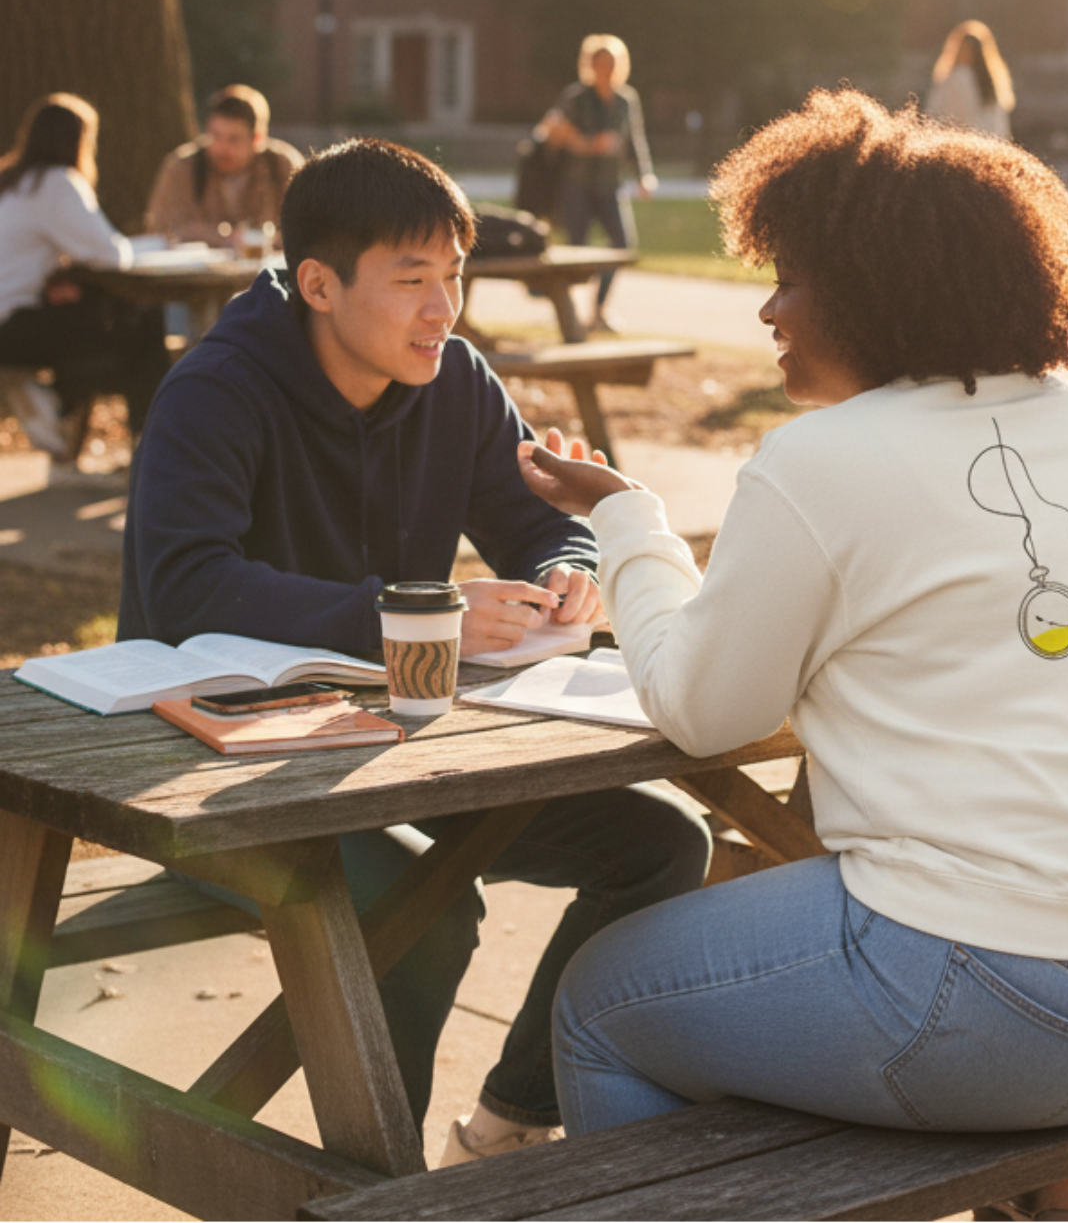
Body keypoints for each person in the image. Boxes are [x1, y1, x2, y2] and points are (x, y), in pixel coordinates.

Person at [515, 89, 1068, 1223]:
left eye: (793, 278)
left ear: (875, 291)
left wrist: (628, 520)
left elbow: (703, 711)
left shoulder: (820, 461)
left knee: (603, 1000)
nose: (769, 308)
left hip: (1010, 998)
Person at [119, 138, 711, 1155]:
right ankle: (378, 1189)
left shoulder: (455, 380)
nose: (446, 310)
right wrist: (409, 614)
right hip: (215, 771)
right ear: (317, 284)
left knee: (663, 844)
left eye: (455, 277)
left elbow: (544, 519)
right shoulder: (218, 390)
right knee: (426, 914)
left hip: (411, 752)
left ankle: (510, 1123)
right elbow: (185, 590)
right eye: (411, 282)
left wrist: (573, 566)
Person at [0, 94, 170, 457]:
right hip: (11, 325)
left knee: (100, 323)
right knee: (142, 323)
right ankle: (146, 443)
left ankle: (51, 403)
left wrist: (59, 273)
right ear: (78, 141)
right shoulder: (57, 184)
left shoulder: (11, 181)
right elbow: (113, 256)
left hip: (15, 322)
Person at [540, 35, 656, 334]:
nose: (605, 68)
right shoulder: (576, 97)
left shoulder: (626, 100)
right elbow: (551, 129)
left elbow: (634, 140)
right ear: (590, 65)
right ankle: (571, 316)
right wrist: (589, 144)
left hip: (610, 184)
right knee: (576, 252)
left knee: (622, 244)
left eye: (610, 63)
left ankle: (600, 309)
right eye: (599, 63)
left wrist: (644, 175)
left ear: (619, 65)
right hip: (576, 184)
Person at [145, 84, 302, 246]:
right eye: (215, 136)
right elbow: (160, 229)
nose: (222, 148)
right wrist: (221, 238)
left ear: (257, 139)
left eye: (234, 139)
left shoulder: (283, 166)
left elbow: (309, 230)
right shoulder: (182, 167)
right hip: (197, 271)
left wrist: (264, 240)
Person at [926, 19, 1017, 139]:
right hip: (987, 145)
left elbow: (936, 113)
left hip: (959, 144)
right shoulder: (991, 82)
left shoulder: (957, 77)